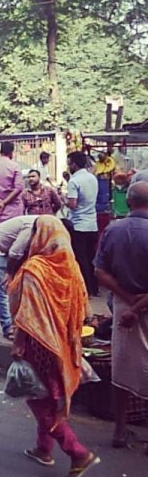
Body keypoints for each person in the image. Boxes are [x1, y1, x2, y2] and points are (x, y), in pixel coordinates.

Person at [8, 216, 99, 475]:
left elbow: (28, 314)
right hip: (65, 341)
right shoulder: (71, 267)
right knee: (50, 394)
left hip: (40, 344)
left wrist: (18, 343)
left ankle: (78, 453)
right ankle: (43, 449)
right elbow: (84, 308)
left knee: (40, 400)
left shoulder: (35, 268)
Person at [94, 181, 148, 450]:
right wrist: (138, 305)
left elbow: (100, 272)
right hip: (139, 306)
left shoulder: (113, 229)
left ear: (128, 202)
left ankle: (119, 430)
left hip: (123, 309)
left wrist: (128, 303)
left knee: (123, 368)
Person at [0, 215, 39, 340]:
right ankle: (8, 327)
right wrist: (9, 272)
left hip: (5, 249)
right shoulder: (31, 227)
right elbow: (15, 252)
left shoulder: (41, 226)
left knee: (17, 286)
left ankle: (19, 322)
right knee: (3, 288)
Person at [61, 151, 98, 296]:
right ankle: (94, 288)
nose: (68, 166)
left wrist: (62, 198)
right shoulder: (92, 178)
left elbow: (73, 204)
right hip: (92, 224)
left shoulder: (74, 181)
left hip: (78, 225)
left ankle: (85, 290)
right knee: (91, 258)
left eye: (69, 163)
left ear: (74, 164)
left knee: (80, 259)